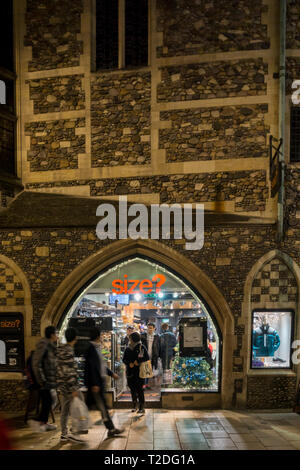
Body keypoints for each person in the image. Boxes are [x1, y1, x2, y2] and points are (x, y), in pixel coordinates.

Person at [84, 327, 124, 437]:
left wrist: (111, 374)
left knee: (101, 407)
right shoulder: (91, 349)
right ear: (98, 336)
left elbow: (101, 366)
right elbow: (92, 368)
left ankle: (110, 428)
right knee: (101, 407)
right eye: (101, 335)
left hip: (98, 383)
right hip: (95, 384)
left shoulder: (96, 348)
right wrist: (95, 383)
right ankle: (79, 426)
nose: (102, 337)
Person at [56, 327, 85, 444]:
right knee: (79, 405)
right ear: (75, 338)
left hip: (62, 385)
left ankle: (64, 433)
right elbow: (69, 371)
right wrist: (73, 388)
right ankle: (75, 432)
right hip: (69, 386)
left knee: (65, 409)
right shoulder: (68, 351)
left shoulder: (60, 349)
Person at [28, 325, 58, 432]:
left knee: (49, 400)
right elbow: (36, 363)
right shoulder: (43, 345)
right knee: (48, 400)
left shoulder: (50, 346)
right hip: (43, 380)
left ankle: (42, 422)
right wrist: (41, 380)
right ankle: (39, 422)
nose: (57, 335)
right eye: (56, 333)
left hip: (48, 380)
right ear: (51, 334)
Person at [123, 331, 149, 414]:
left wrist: (138, 361)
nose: (129, 340)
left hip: (139, 372)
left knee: (140, 389)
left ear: (134, 339)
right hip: (130, 372)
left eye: (130, 338)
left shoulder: (141, 347)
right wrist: (128, 363)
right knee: (132, 389)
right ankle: (134, 405)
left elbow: (146, 358)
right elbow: (124, 359)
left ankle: (142, 406)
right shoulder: (127, 348)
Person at [141, 322, 160, 389]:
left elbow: (158, 346)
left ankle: (146, 384)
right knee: (144, 370)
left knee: (149, 371)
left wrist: (158, 355)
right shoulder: (143, 336)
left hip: (153, 356)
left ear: (154, 328)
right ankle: (144, 385)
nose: (149, 330)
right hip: (144, 356)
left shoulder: (157, 336)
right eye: (148, 328)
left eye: (151, 328)